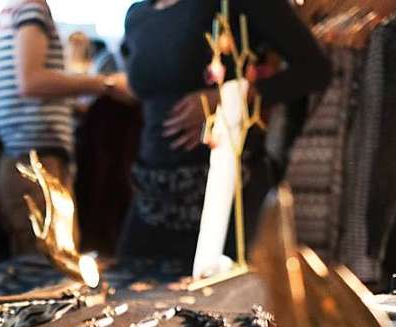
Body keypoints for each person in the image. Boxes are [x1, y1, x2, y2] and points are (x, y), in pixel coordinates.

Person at [118, 0, 331, 273]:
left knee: (224, 305)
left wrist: (224, 98)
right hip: (153, 193)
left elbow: (314, 69)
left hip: (225, 190)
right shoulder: (137, 13)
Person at [0, 0, 130, 256]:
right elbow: (31, 82)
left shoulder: (8, 14)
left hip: (23, 155)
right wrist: (107, 83)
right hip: (37, 160)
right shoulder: (31, 11)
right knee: (53, 266)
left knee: (37, 264)